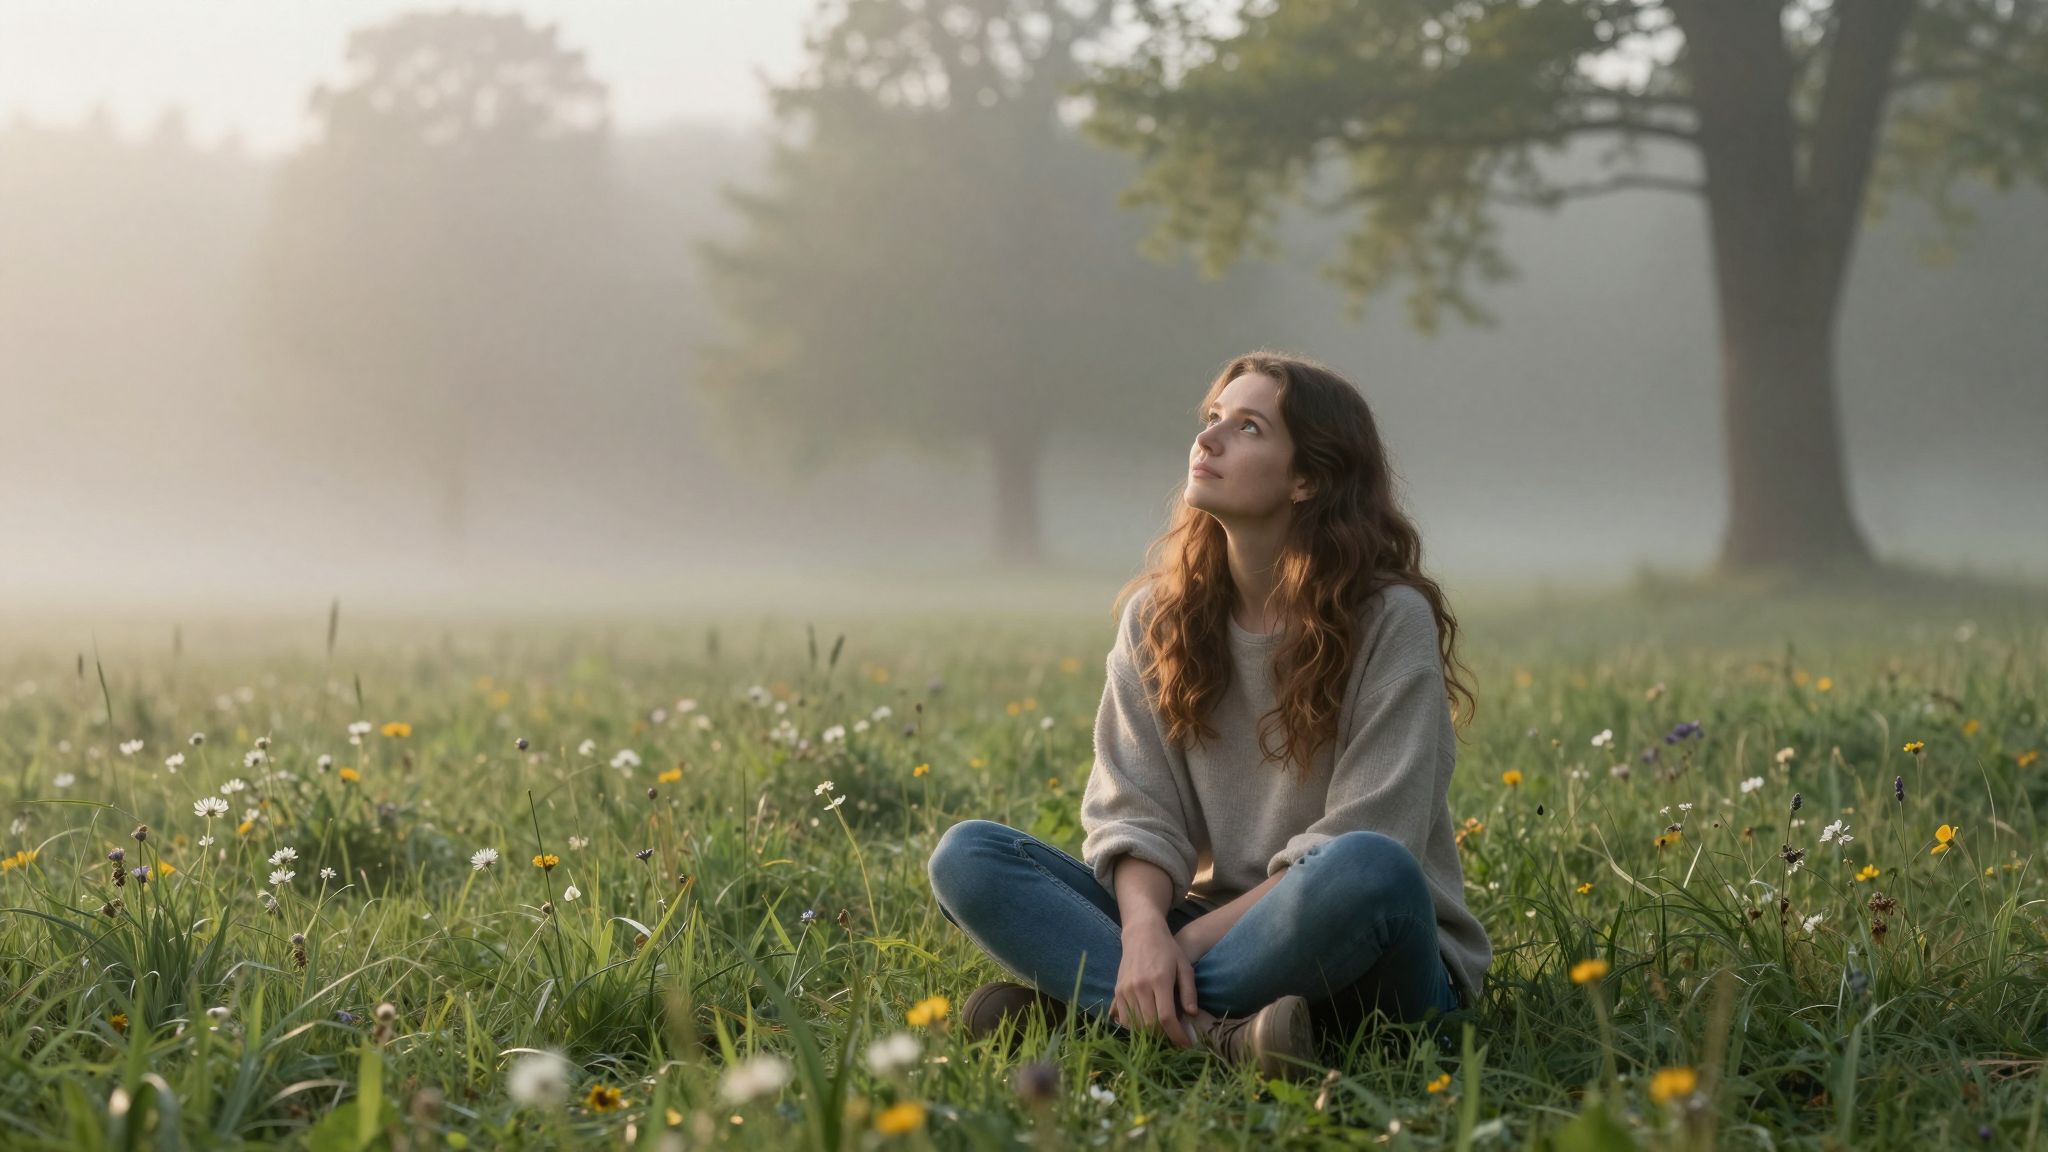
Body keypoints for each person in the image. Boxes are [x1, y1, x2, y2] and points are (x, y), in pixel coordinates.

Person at [926, 350, 1491, 1078]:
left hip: (1370, 957)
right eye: (1213, 418)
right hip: (1211, 924)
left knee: (1366, 866)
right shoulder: (1156, 618)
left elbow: (1373, 833)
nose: (1208, 439)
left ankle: (1107, 1017)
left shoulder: (1390, 619)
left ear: (1308, 478)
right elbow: (1136, 815)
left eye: (1248, 427)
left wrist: (1178, 948)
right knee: (969, 857)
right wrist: (1143, 932)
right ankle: (1226, 1036)